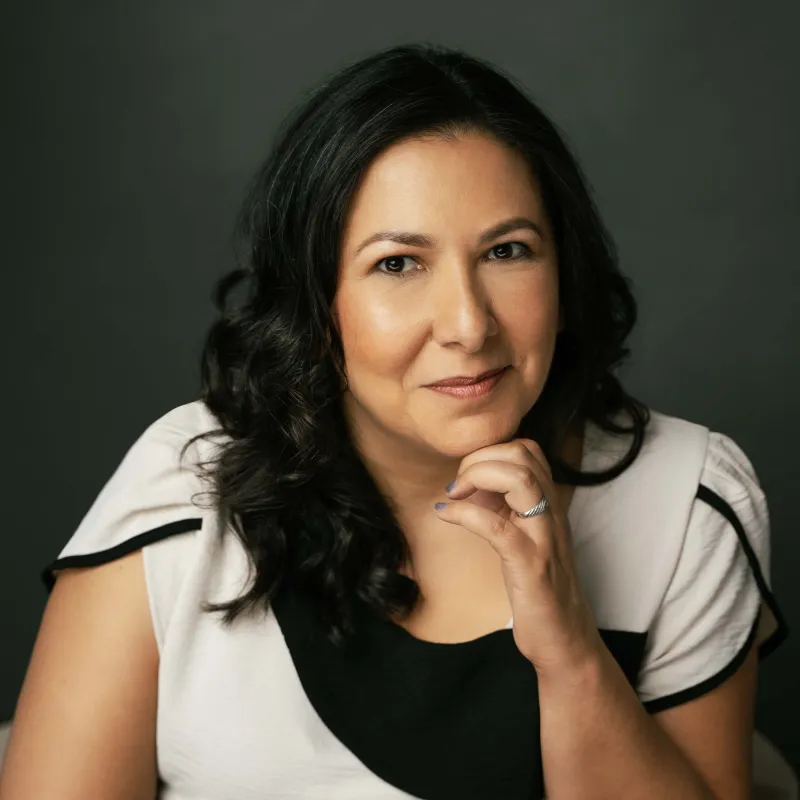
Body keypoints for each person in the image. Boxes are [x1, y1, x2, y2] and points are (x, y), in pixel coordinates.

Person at [0, 42, 788, 800]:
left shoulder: (686, 499)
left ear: (564, 264)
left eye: (508, 251)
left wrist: (572, 653)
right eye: (398, 264)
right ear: (315, 304)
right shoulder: (188, 487)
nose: (468, 325)